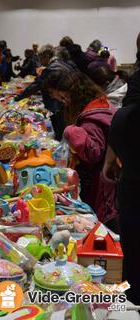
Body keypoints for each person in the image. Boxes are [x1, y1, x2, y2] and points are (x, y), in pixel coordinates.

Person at [42, 62, 116, 223]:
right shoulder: (97, 102)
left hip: (101, 187)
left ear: (69, 91)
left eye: (60, 96)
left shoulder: (91, 116)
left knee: (100, 228)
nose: (58, 99)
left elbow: (93, 153)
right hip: (104, 184)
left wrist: (71, 131)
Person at [103, 103, 140, 305]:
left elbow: (111, 157)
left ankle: (128, 299)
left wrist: (109, 164)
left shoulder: (123, 116)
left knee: (131, 252)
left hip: (132, 192)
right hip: (131, 193)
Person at [15, 44, 65, 141]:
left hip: (57, 106)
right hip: (61, 105)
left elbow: (35, 85)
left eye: (40, 58)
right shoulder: (60, 64)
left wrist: (18, 97)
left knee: (59, 133)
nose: (40, 61)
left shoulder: (51, 69)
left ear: (46, 56)